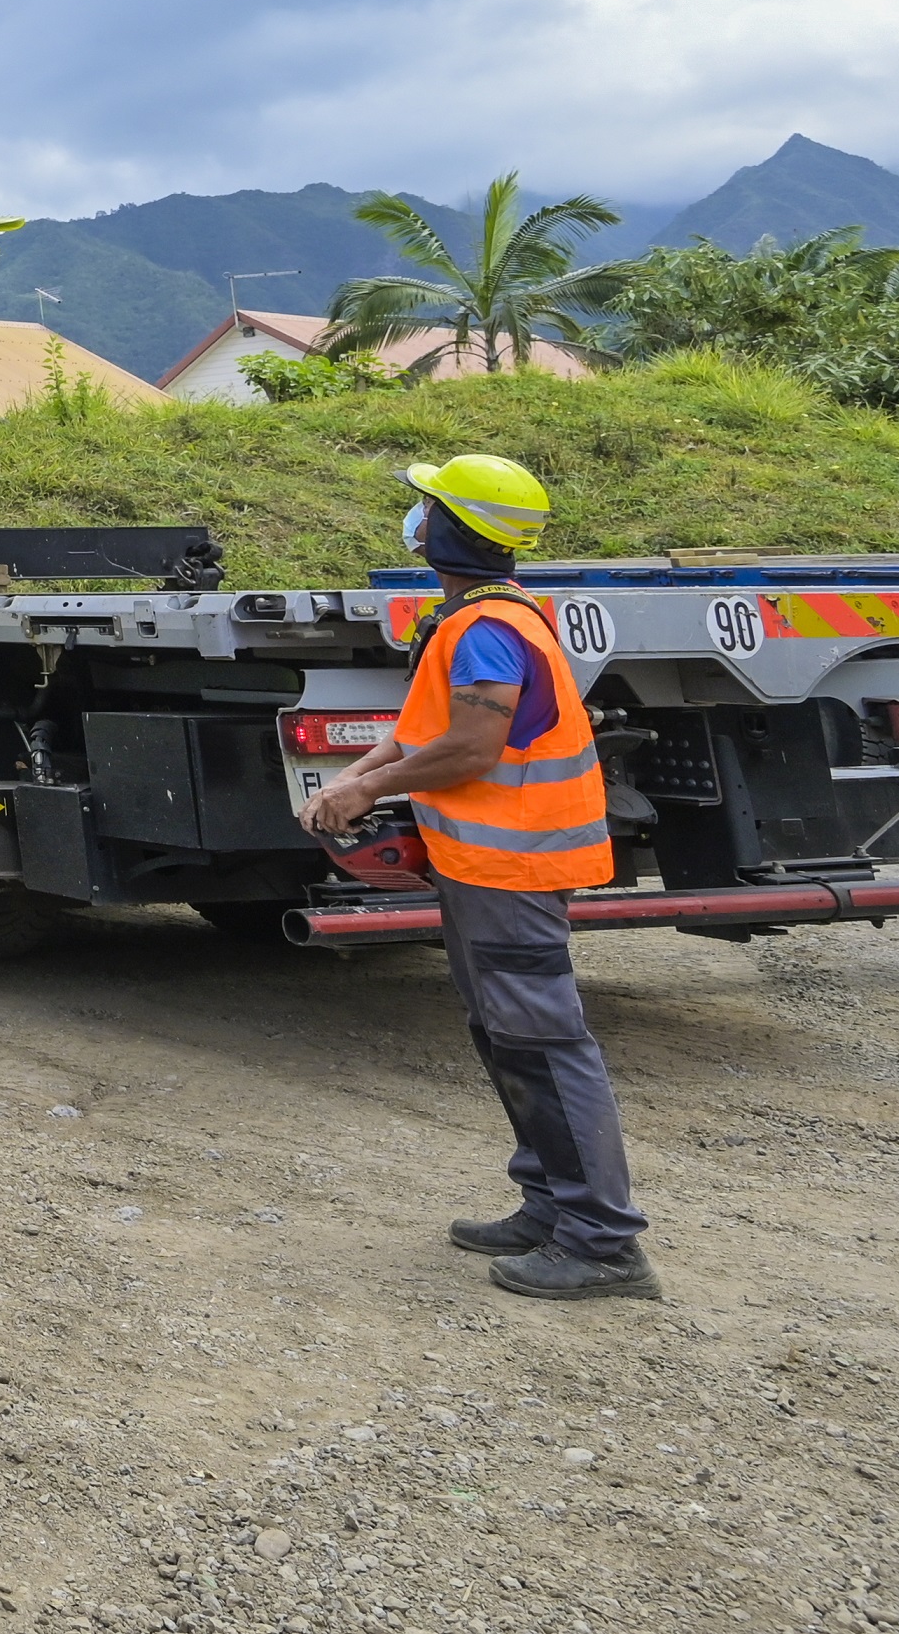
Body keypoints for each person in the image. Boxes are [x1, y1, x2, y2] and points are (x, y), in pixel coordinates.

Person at [301, 456, 655, 1302]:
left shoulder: (487, 629)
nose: (417, 521)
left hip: (513, 864)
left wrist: (367, 789)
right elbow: (426, 728)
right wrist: (362, 770)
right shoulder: (476, 618)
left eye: (428, 508)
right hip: (485, 862)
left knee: (541, 1039)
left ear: (456, 530)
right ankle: (551, 1206)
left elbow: (472, 745)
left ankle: (604, 1242)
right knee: (504, 1032)